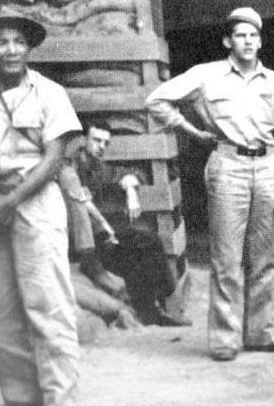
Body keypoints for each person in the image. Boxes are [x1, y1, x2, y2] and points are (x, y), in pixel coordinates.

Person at [146, 6, 274, 361]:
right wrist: (191, 131)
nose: (247, 42)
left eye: (253, 35)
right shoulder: (207, 76)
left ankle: (259, 333)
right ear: (227, 41)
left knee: (264, 258)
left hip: (266, 168)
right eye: (240, 36)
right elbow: (156, 100)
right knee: (227, 259)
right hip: (227, 166)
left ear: (260, 41)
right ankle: (224, 339)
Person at [0, 16, 83, 406]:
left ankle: (63, 402)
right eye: (1, 43)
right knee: (2, 309)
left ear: (28, 49)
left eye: (18, 42)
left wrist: (11, 199)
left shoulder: (50, 93)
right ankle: (22, 396)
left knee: (48, 300)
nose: (10, 49)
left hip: (36, 201)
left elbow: (53, 159)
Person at [60, 121, 186, 327]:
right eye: (96, 140)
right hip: (80, 244)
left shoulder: (95, 166)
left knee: (147, 241)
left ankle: (156, 309)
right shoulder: (71, 167)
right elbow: (81, 206)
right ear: (83, 140)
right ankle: (154, 310)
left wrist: (130, 188)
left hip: (96, 236)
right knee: (141, 246)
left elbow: (124, 173)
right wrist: (106, 231)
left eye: (105, 143)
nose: (101, 146)